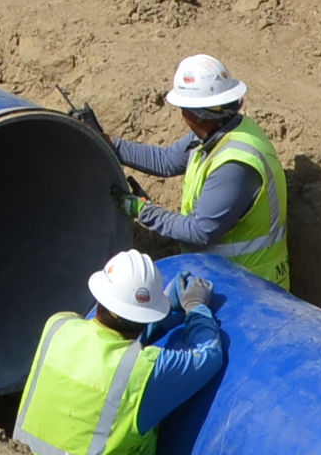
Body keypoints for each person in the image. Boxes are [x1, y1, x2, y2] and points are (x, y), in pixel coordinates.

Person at [11, 250, 226, 455]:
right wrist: (196, 307)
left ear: (100, 298)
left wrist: (161, 310)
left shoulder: (58, 326)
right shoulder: (144, 370)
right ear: (144, 318)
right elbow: (209, 354)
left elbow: (109, 344)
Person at [97, 54, 290, 289]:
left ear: (192, 114)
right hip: (223, 275)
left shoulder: (234, 166)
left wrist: (143, 211)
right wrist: (111, 144)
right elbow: (166, 161)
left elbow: (200, 232)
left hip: (248, 286)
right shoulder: (221, 130)